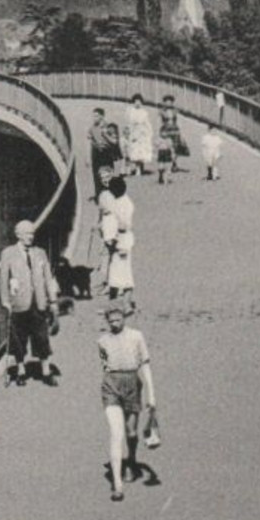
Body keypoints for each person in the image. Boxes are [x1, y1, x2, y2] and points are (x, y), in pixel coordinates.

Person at [97, 306, 155, 502]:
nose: (114, 323)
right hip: (111, 385)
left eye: (117, 319)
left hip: (132, 383)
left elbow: (145, 364)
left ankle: (131, 460)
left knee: (131, 432)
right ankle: (117, 484)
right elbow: (105, 364)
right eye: (111, 320)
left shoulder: (136, 337)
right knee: (116, 433)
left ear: (124, 318)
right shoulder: (102, 341)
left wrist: (151, 396)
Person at [0, 219, 60, 386]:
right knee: (18, 337)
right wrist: (5, 300)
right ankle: (20, 370)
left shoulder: (40, 253)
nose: (30, 237)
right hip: (18, 302)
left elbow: (48, 277)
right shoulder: (8, 253)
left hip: (38, 301)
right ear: (18, 235)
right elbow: (3, 279)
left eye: (32, 233)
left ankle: (46, 371)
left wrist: (52, 299)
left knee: (42, 336)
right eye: (26, 234)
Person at [103, 175, 136, 308]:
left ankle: (124, 304)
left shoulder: (120, 204)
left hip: (121, 242)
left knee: (122, 273)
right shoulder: (125, 201)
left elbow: (123, 224)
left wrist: (112, 236)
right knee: (117, 272)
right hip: (123, 241)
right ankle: (116, 304)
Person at [88, 108, 122, 198]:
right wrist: (88, 157)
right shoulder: (92, 128)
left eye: (96, 116)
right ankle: (99, 195)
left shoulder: (109, 127)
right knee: (96, 174)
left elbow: (114, 141)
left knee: (107, 174)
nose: (94, 118)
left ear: (102, 116)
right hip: (96, 153)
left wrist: (105, 134)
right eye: (93, 116)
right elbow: (90, 140)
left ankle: (110, 194)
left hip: (106, 153)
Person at [155, 94, 187, 184]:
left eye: (170, 101)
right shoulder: (161, 112)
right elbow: (158, 122)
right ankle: (167, 165)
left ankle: (173, 163)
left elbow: (179, 121)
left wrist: (181, 132)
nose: (168, 103)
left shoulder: (175, 111)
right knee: (167, 148)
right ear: (164, 103)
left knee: (175, 148)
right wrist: (158, 132)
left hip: (174, 130)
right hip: (165, 131)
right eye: (167, 101)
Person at [123, 94, 155, 180]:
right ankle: (133, 169)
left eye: (139, 101)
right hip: (133, 132)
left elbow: (147, 123)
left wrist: (149, 133)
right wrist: (127, 132)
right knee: (132, 151)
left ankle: (139, 168)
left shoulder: (144, 113)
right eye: (135, 101)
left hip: (141, 133)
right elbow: (127, 123)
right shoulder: (130, 111)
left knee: (140, 151)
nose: (137, 103)